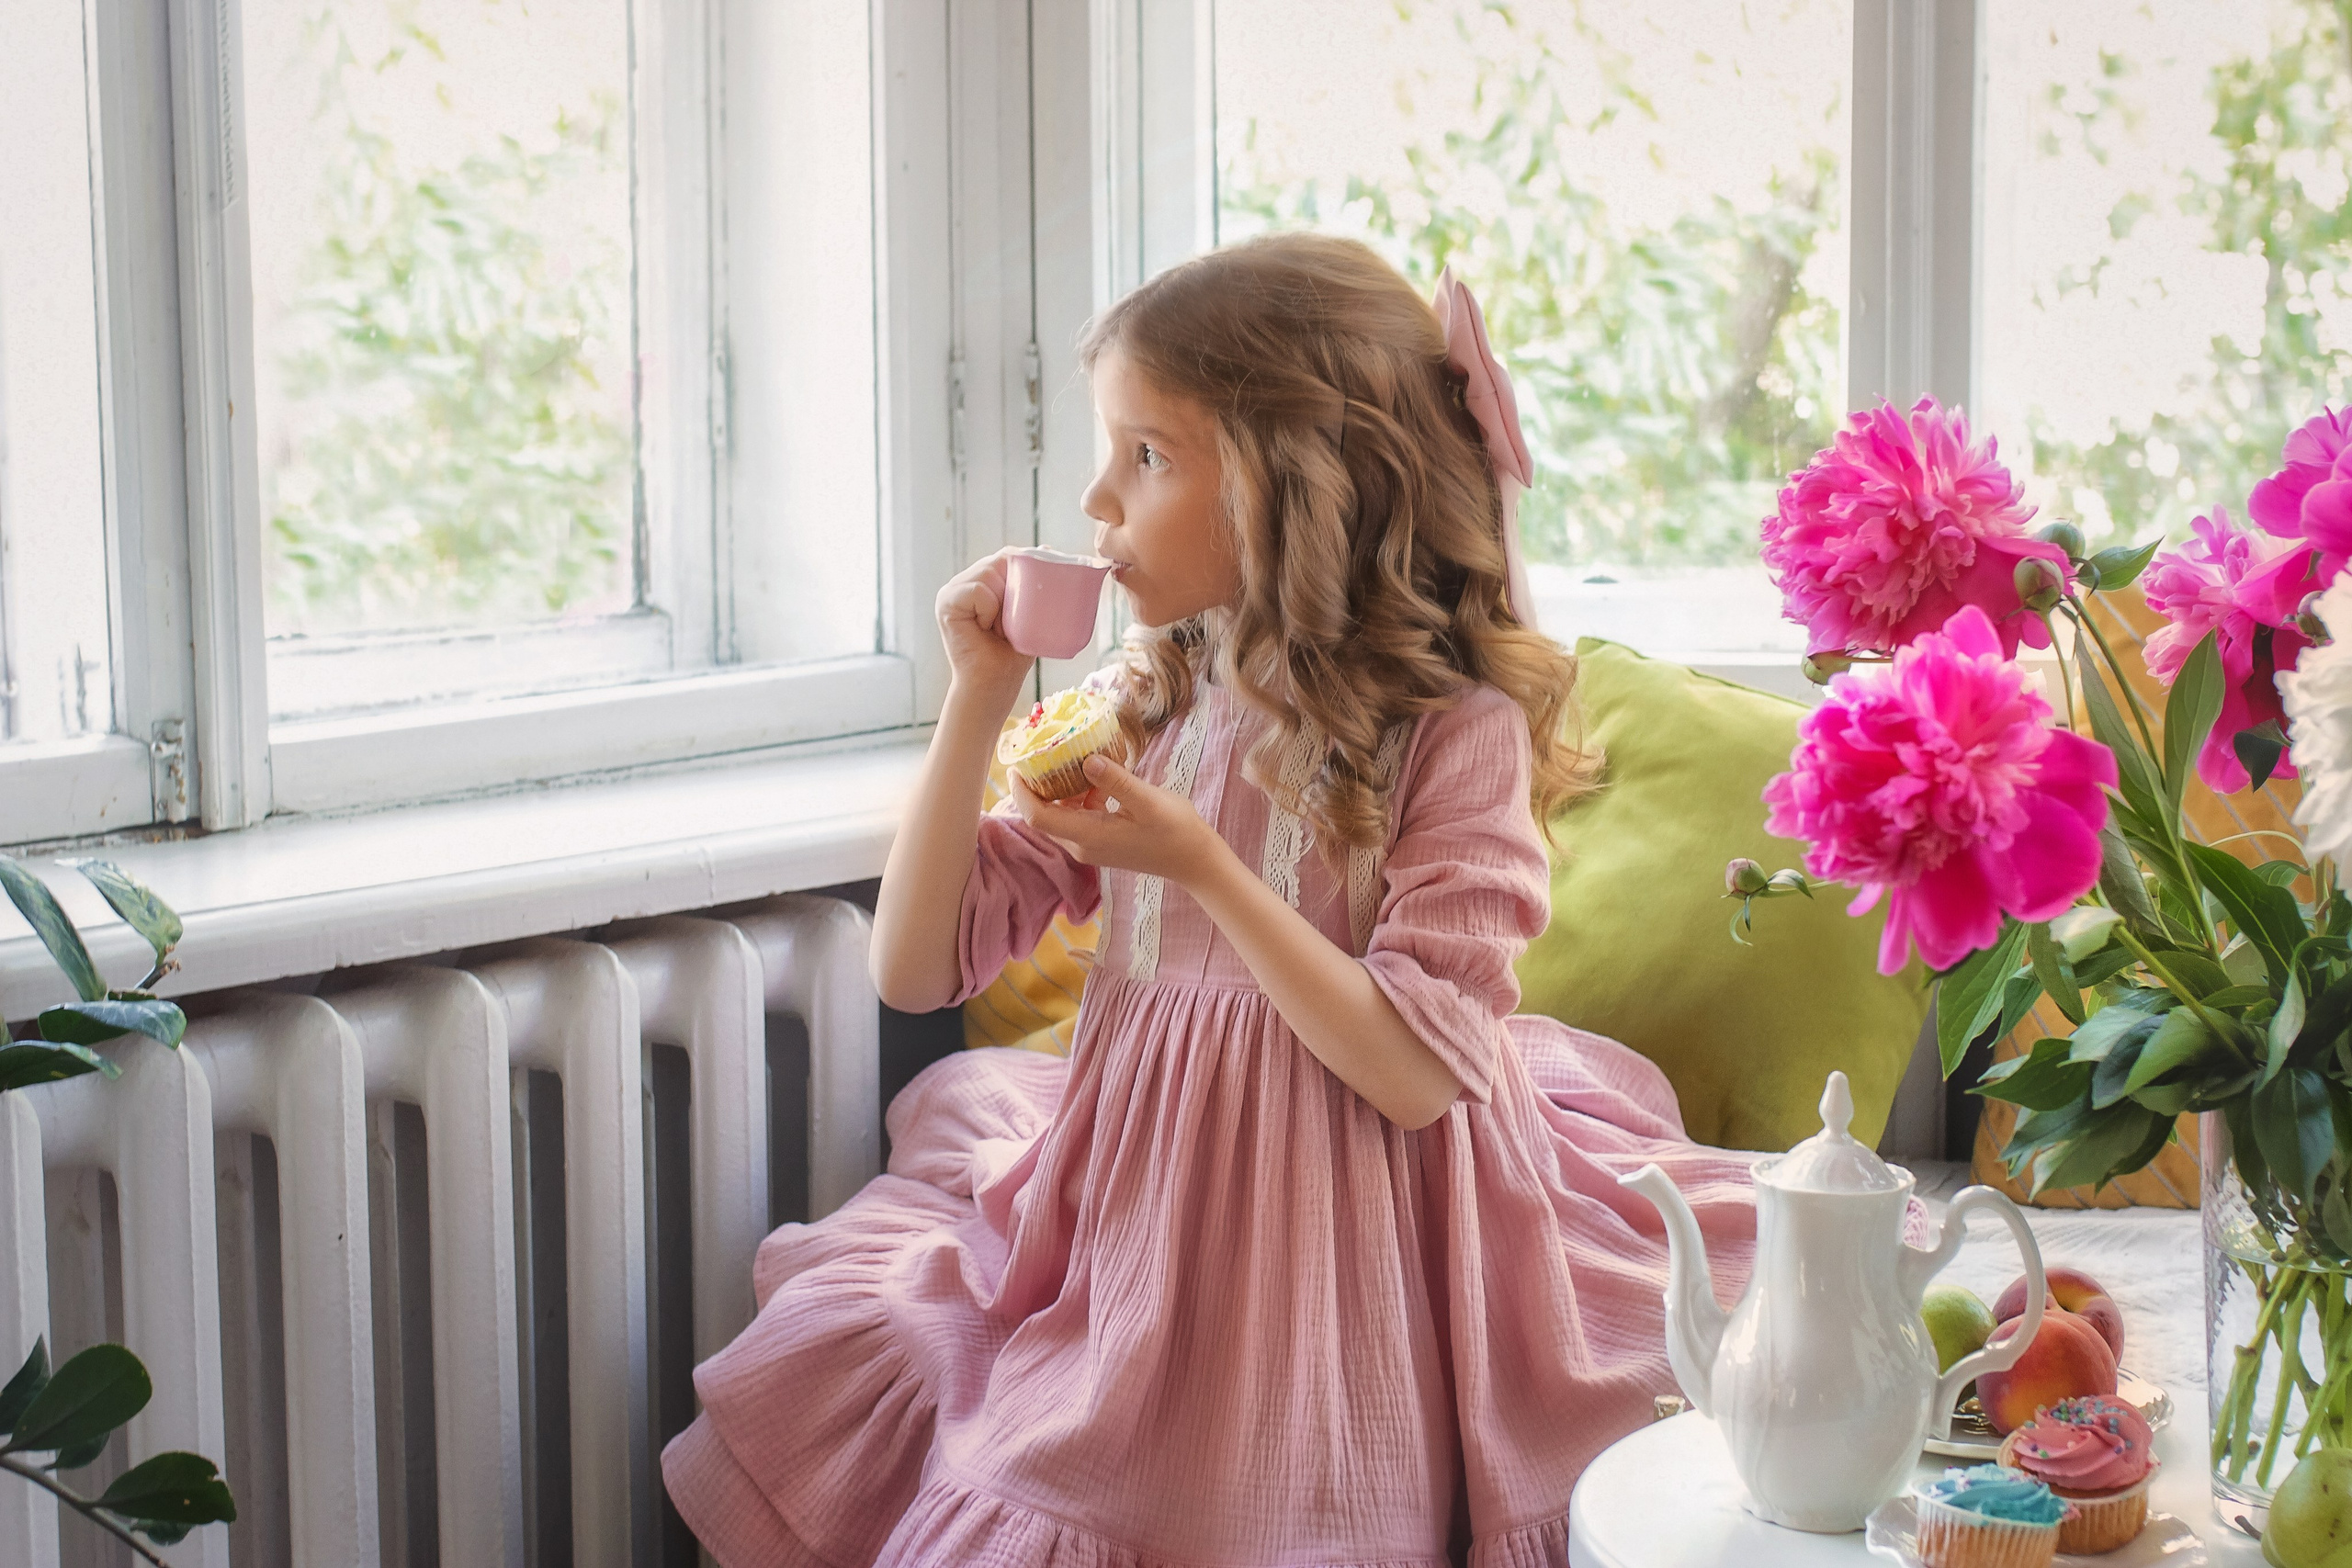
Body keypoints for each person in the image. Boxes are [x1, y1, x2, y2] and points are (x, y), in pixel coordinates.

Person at [661, 231, 1759, 1567]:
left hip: (1360, 1247)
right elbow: (915, 968)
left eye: (1147, 456)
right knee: (1035, 1457)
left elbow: (1415, 1075)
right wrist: (979, 699)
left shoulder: (1451, 730)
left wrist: (1200, 868)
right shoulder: (1148, 701)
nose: (1095, 500)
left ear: (1293, 482)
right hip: (1141, 1220)